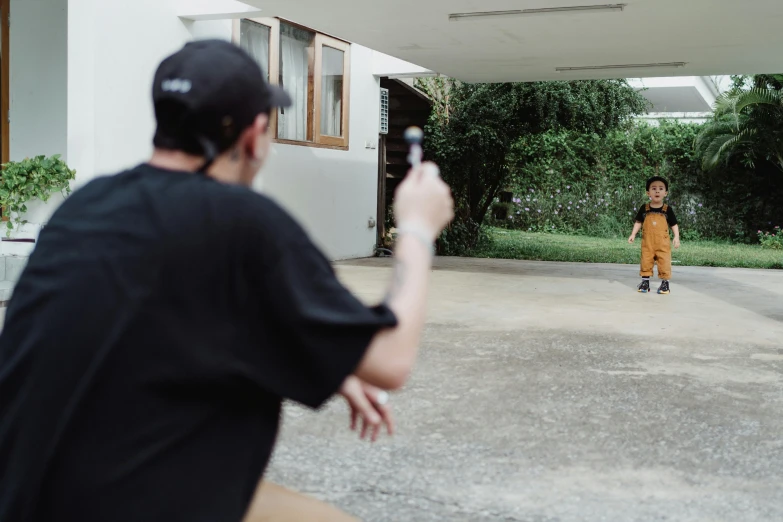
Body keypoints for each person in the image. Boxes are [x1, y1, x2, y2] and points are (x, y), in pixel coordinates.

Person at [0, 39, 453, 522]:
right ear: (256, 135)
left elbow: (152, 322)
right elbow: (390, 359)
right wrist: (417, 230)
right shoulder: (243, 223)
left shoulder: (87, 206)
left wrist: (325, 353)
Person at [628, 176, 680, 294]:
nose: (657, 191)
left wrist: (676, 237)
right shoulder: (644, 208)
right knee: (646, 261)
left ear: (665, 193)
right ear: (648, 192)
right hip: (648, 243)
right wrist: (633, 234)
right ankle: (645, 282)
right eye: (654, 188)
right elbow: (638, 222)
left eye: (661, 188)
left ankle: (665, 283)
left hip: (663, 244)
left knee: (664, 262)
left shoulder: (667, 210)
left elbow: (674, 224)